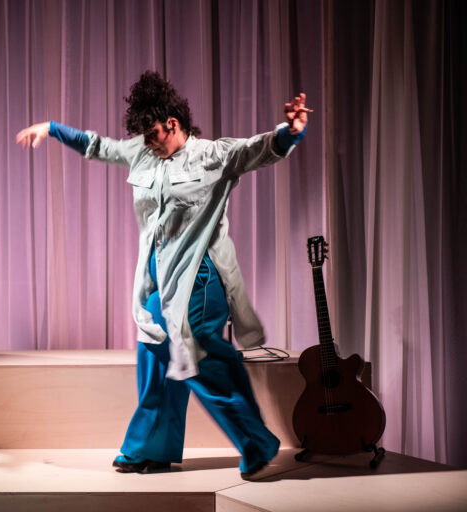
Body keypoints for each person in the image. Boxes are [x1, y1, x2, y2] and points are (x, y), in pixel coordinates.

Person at [16, 71, 310, 478]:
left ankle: (256, 440)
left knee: (198, 355)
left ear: (172, 123)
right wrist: (52, 129)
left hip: (200, 278)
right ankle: (151, 447)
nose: (148, 142)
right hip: (163, 280)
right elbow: (99, 146)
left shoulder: (211, 155)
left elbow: (259, 149)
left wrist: (289, 131)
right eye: (143, 135)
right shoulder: (144, 153)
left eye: (152, 133)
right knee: (154, 348)